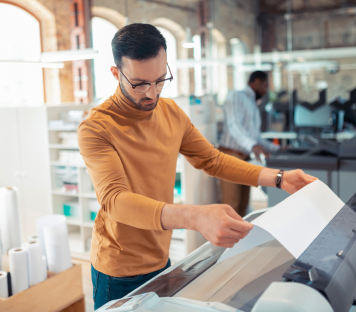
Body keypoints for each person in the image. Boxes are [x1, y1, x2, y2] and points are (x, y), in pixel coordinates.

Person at [77, 24, 317, 310]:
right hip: (117, 269)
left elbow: (211, 159)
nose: (152, 93)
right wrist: (194, 217)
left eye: (160, 79)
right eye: (140, 84)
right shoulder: (96, 127)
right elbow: (115, 200)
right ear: (117, 74)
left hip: (161, 257)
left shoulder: (171, 112)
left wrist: (279, 178)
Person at [219, 71, 280, 217]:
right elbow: (234, 125)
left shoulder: (252, 103)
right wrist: (253, 145)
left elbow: (255, 136)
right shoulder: (236, 96)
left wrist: (276, 149)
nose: (266, 90)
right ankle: (228, 241)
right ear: (257, 81)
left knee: (243, 207)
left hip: (244, 158)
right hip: (230, 156)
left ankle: (239, 240)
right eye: (265, 85)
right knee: (231, 206)